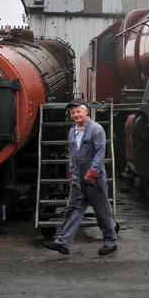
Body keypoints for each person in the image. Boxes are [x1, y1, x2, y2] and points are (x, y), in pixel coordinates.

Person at [43, 99, 118, 256]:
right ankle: (63, 243)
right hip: (78, 176)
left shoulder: (96, 130)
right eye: (73, 113)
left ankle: (111, 241)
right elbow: (73, 154)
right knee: (72, 209)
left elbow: (100, 153)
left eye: (78, 111)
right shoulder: (72, 131)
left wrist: (92, 173)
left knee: (102, 209)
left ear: (86, 112)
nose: (75, 115)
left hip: (94, 176)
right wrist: (72, 172)